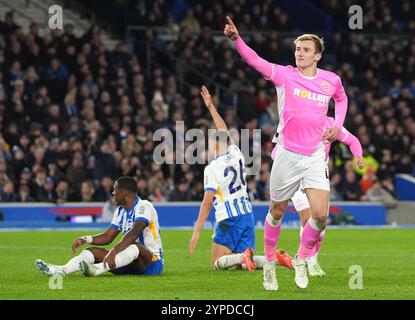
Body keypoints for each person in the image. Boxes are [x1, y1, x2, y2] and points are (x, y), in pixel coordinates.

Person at [224, 16, 348, 290]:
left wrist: (338, 124)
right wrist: (237, 40)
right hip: (287, 154)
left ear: (317, 55)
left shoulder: (331, 81)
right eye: (297, 49)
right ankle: (269, 264)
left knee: (320, 215)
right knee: (277, 212)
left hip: (315, 155)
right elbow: (255, 61)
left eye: (305, 50)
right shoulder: (285, 75)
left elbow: (342, 98)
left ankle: (302, 259)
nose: (299, 53)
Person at [188, 86, 293, 272]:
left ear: (214, 145)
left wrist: (197, 230)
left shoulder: (212, 168)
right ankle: (276, 259)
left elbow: (207, 202)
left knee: (217, 263)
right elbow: (224, 130)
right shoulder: (237, 153)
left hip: (228, 218)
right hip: (246, 215)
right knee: (241, 266)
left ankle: (247, 255)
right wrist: (211, 107)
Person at [275, 117, 365, 277]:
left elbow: (353, 141)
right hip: (294, 170)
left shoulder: (331, 124)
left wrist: (358, 156)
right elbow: (277, 148)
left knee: (320, 220)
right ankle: (305, 259)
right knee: (307, 215)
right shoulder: (296, 118)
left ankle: (313, 259)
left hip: (317, 173)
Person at [34, 176, 163, 277]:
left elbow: (133, 234)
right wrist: (86, 239)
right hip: (129, 262)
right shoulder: (120, 211)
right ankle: (62, 270)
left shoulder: (144, 206)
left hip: (151, 263)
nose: (113, 193)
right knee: (91, 252)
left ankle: (97, 269)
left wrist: (114, 251)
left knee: (136, 246)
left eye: (115, 190)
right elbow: (108, 236)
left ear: (123, 193)